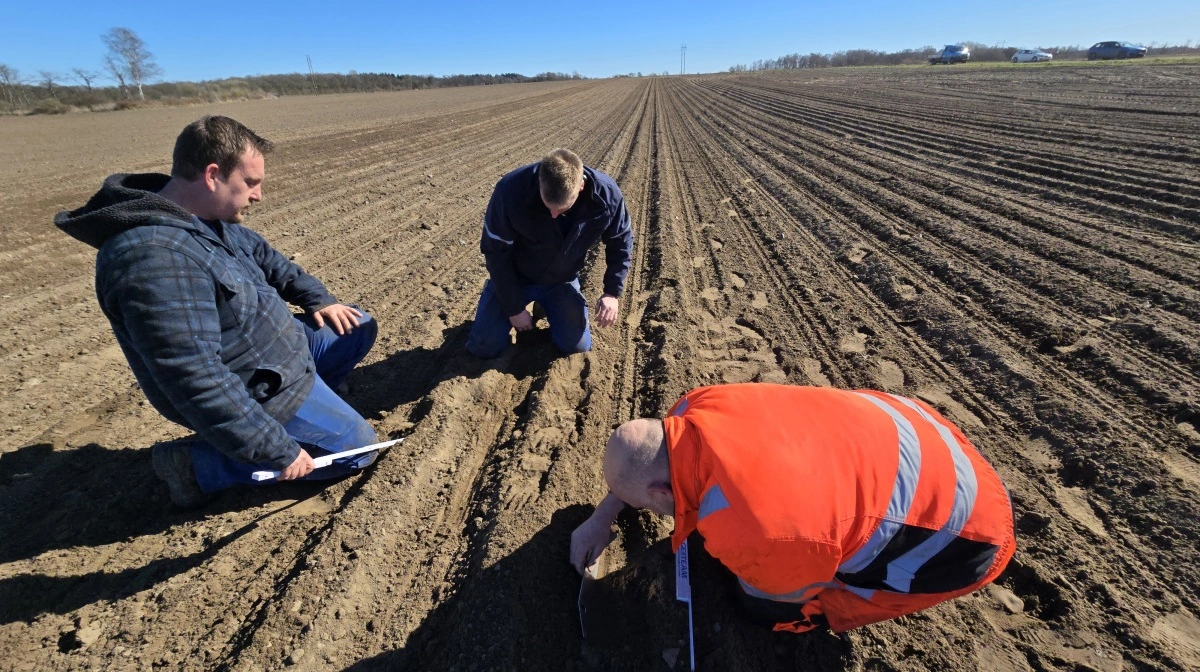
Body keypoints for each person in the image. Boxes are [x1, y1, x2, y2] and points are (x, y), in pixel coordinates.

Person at [55, 115, 380, 508]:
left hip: (278, 352)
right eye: (251, 183)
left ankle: (315, 397)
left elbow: (270, 260)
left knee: (355, 324)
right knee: (357, 449)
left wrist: (319, 300)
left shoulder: (205, 219)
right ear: (212, 175)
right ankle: (197, 465)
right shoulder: (155, 259)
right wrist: (275, 448)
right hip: (252, 386)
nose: (258, 195)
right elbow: (195, 377)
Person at [570, 383, 1015, 633]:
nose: (648, 513)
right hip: (925, 430)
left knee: (763, 602)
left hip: (968, 529)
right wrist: (601, 516)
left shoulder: (758, 533)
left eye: (645, 506)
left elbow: (791, 573)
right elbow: (646, 461)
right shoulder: (692, 407)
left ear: (663, 493)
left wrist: (775, 589)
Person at [466, 148, 633, 358]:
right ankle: (495, 303)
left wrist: (612, 292)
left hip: (561, 280)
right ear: (539, 184)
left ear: (581, 186)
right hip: (516, 277)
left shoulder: (607, 197)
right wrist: (513, 307)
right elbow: (495, 252)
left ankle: (546, 305)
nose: (554, 215)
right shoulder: (510, 191)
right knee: (484, 347)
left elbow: (620, 242)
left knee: (576, 348)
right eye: (548, 206)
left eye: (562, 209)